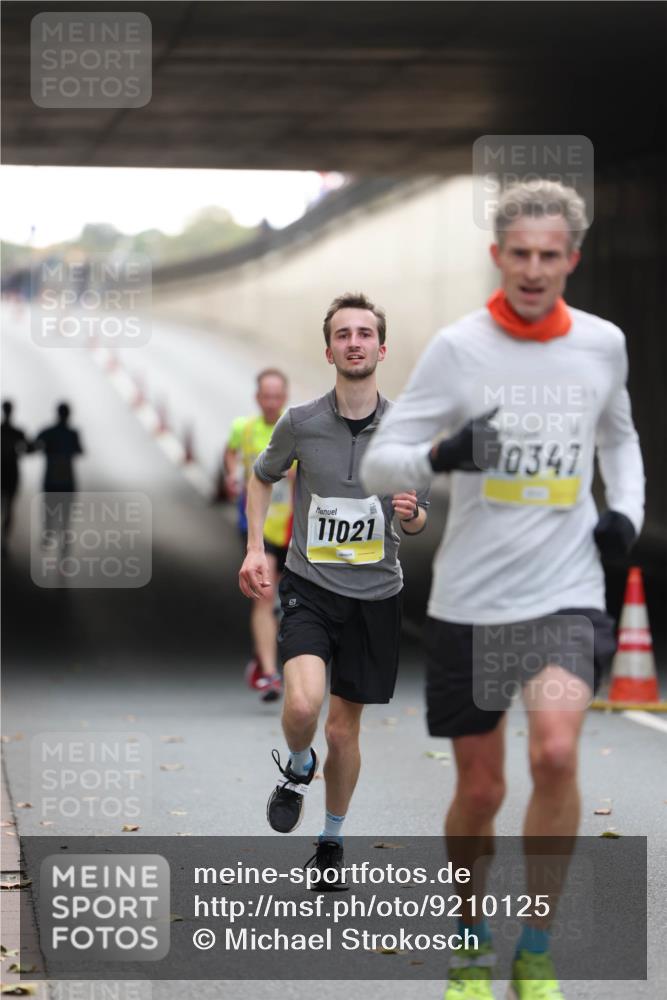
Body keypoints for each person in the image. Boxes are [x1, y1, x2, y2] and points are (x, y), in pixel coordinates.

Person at [361, 180, 644, 999]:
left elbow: (619, 439)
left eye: (548, 255)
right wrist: (441, 456)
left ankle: (535, 949)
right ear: (496, 255)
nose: (532, 269)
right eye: (518, 253)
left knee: (554, 752)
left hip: (564, 591)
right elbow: (381, 462)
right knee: (480, 789)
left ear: (571, 260)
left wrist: (623, 514)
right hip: (472, 602)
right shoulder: (458, 348)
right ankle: (467, 938)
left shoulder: (601, 345)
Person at [239, 292, 428, 886]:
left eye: (364, 333)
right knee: (302, 705)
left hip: (376, 596)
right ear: (329, 351)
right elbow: (261, 476)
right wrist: (254, 548)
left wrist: (412, 515)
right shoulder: (300, 423)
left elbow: (418, 516)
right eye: (343, 334)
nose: (354, 342)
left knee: (344, 729)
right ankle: (299, 765)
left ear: (381, 348)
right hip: (311, 586)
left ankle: (331, 842)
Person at [224, 369, 293, 702]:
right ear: (257, 397)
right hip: (257, 527)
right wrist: (231, 475)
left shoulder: (295, 430)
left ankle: (265, 655)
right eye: (266, 396)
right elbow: (230, 452)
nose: (271, 402)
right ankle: (269, 673)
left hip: (290, 525)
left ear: (285, 397)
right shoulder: (245, 428)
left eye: (277, 397)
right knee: (265, 594)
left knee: (285, 598)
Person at [35, 402, 84, 552]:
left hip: (52, 479)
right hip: (66, 480)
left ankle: (49, 534)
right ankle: (63, 540)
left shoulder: (48, 432)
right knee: (65, 513)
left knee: (50, 510)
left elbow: (34, 445)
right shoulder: (72, 434)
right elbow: (80, 450)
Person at [1, 401, 30, 555]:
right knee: (9, 507)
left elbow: (28, 448)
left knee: (7, 507)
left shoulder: (12, 432)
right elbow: (29, 449)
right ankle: (4, 541)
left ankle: (4, 541)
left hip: (5, 471)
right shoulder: (17, 432)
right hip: (11, 472)